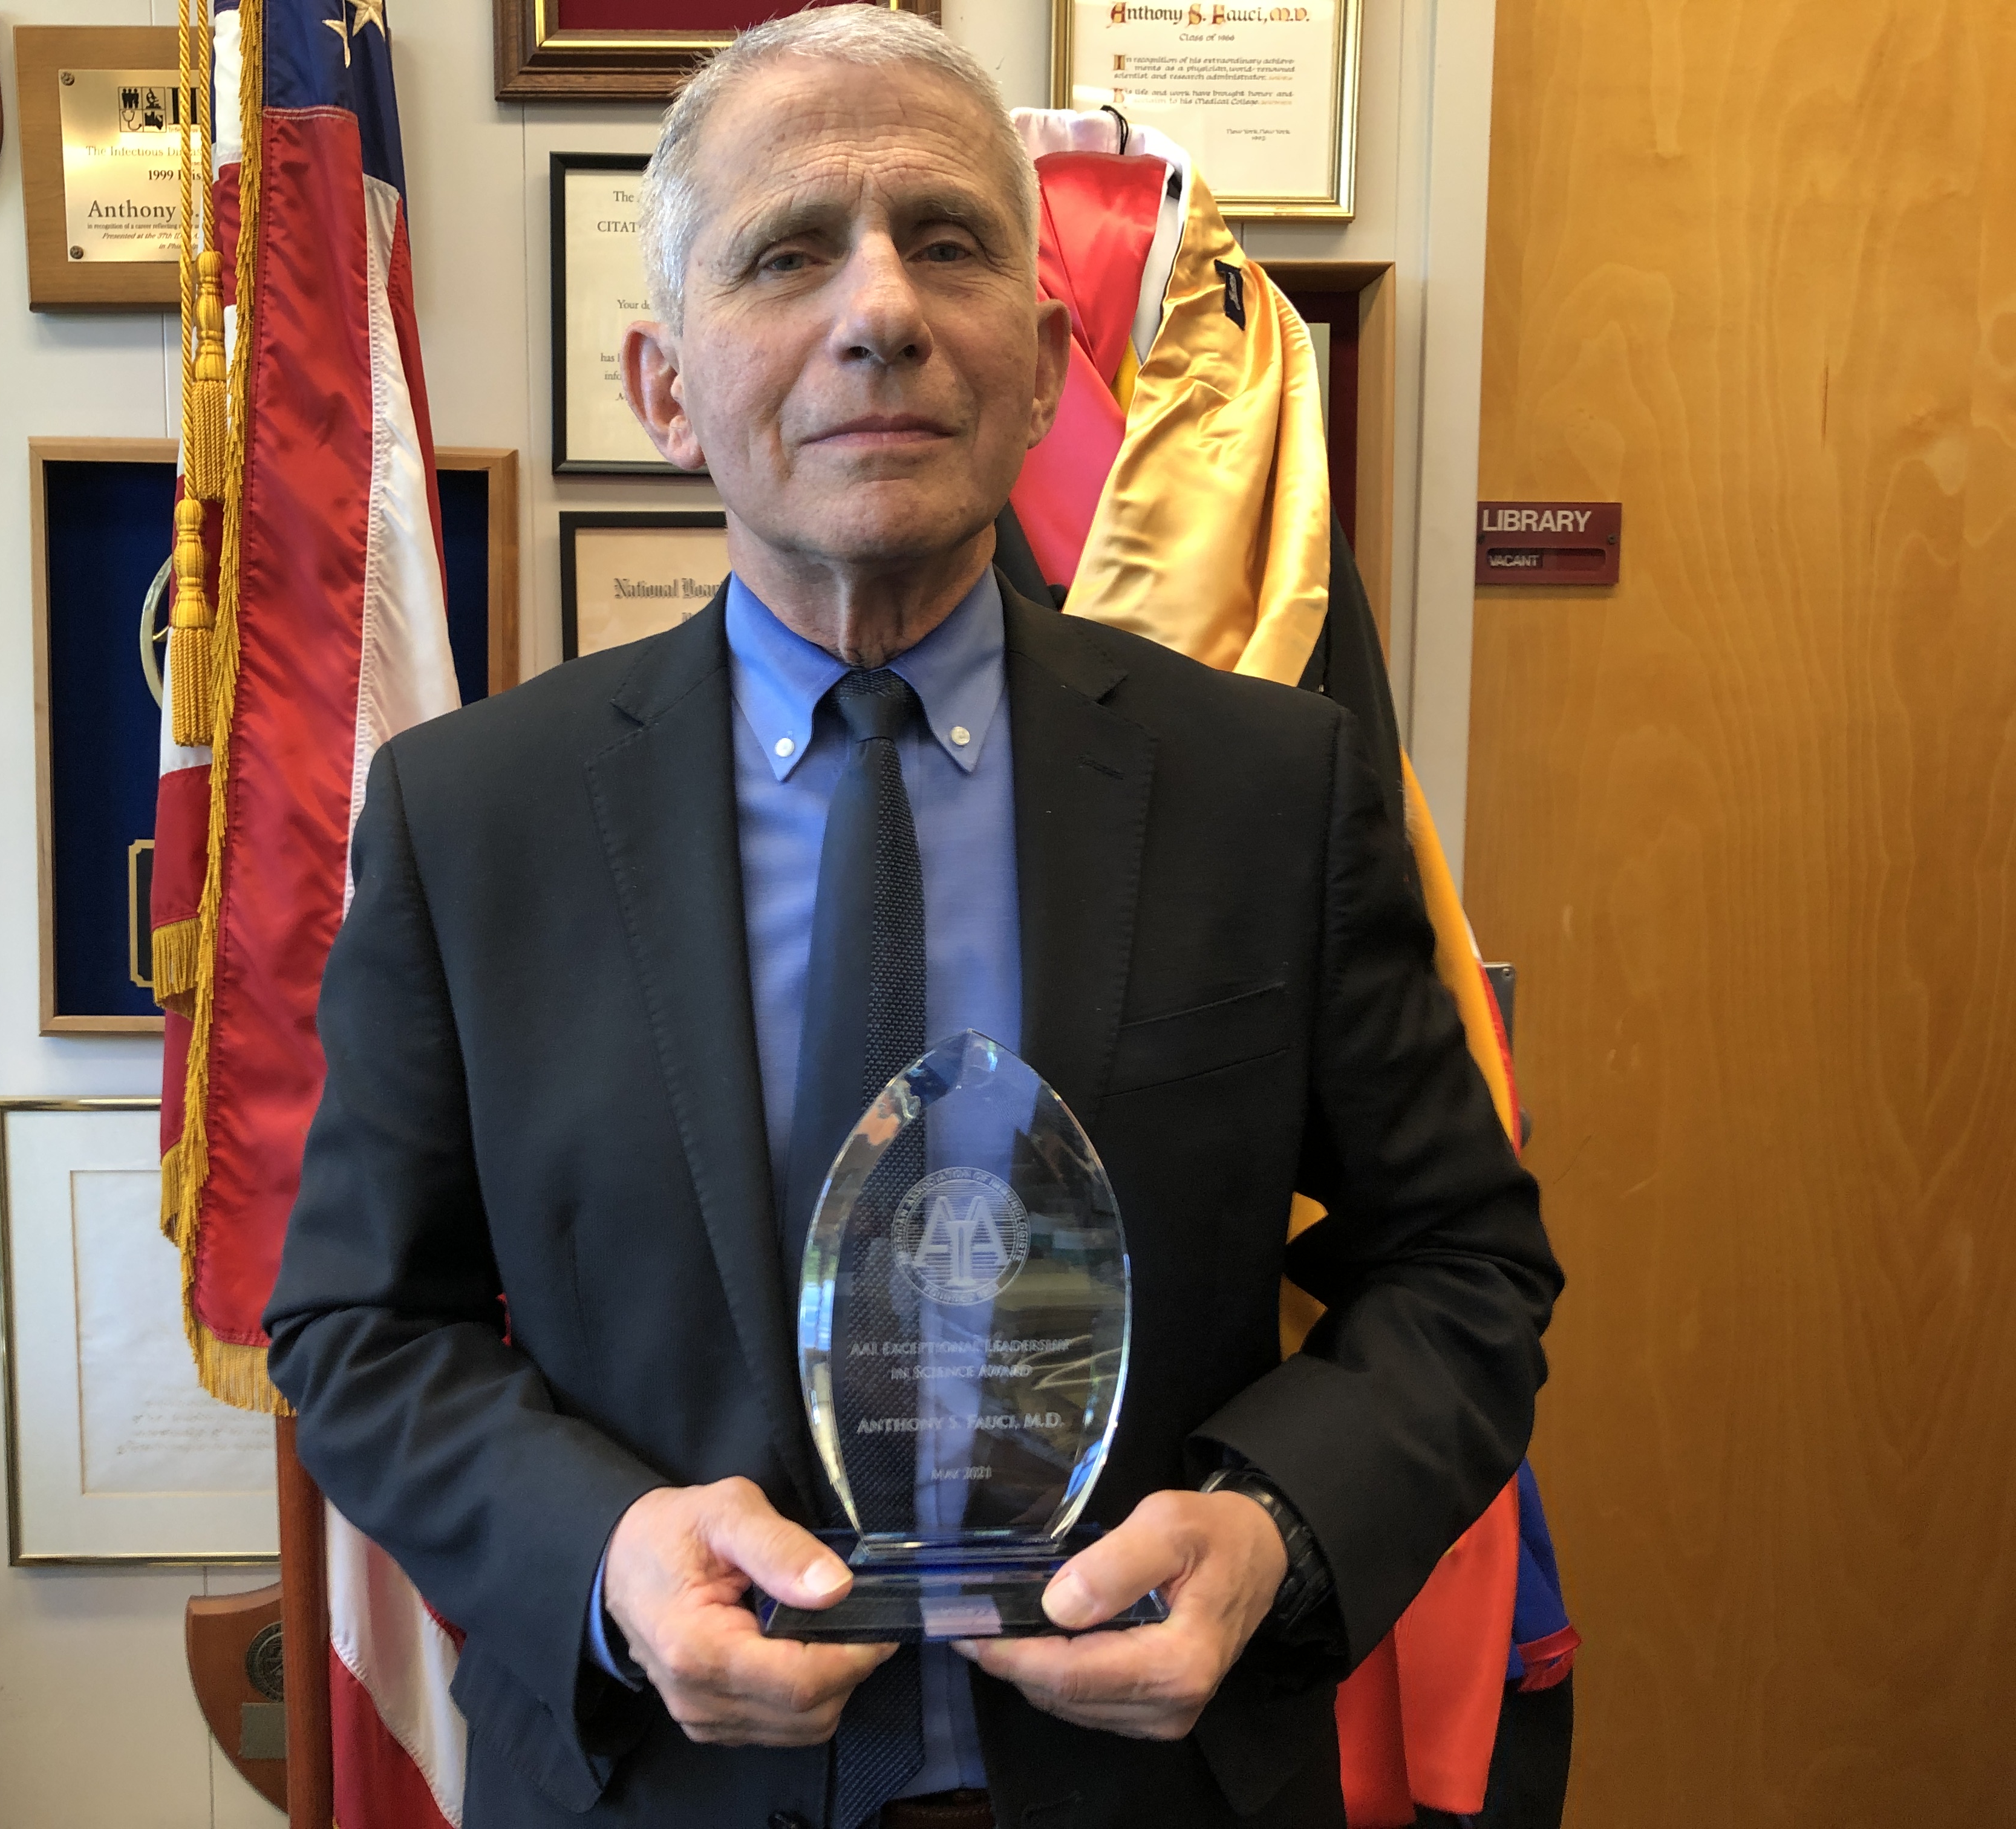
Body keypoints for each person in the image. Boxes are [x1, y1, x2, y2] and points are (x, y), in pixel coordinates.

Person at [265, 10, 1559, 1828]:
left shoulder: (1273, 788)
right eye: (788, 253)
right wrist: (611, 1556)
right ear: (659, 385)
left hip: (1149, 1791)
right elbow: (353, 1325)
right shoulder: (477, 817)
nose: (879, 309)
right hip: (656, 1788)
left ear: (1039, 364)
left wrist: (1275, 1526)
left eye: (946, 240)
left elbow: (1465, 1265)